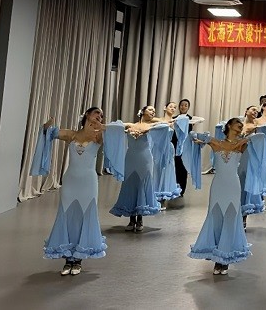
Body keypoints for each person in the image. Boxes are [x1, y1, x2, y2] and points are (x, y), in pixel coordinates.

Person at [30, 107, 108, 276]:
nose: (99, 116)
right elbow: (50, 133)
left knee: (84, 217)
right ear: (87, 114)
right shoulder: (72, 135)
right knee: (67, 216)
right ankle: (68, 259)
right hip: (70, 181)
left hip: (88, 182)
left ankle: (78, 259)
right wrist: (46, 127)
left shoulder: (98, 136)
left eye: (102, 115)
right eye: (97, 113)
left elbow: (115, 133)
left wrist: (101, 126)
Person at [189, 118, 252, 275]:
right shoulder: (215, 142)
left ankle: (224, 259)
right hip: (218, 186)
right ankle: (217, 258)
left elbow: (260, 138)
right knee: (216, 219)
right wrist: (200, 140)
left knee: (230, 219)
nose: (241, 125)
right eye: (238, 123)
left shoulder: (243, 144)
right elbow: (193, 135)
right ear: (229, 125)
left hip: (233, 186)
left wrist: (247, 137)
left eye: (242, 124)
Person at [107, 105, 171, 232]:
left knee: (142, 184)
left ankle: (140, 218)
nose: (153, 112)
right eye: (150, 109)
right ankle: (132, 219)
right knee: (130, 185)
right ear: (142, 111)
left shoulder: (152, 126)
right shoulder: (130, 125)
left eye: (154, 111)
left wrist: (146, 130)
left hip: (145, 159)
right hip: (131, 158)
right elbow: (114, 126)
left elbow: (166, 125)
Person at [172, 98, 204, 196]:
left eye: (186, 105)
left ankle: (182, 189)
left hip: (186, 146)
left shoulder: (190, 119)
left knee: (183, 166)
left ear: (188, 107)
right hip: (175, 144)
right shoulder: (174, 118)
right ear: (179, 107)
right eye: (182, 105)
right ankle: (174, 187)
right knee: (175, 166)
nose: (183, 107)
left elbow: (201, 120)